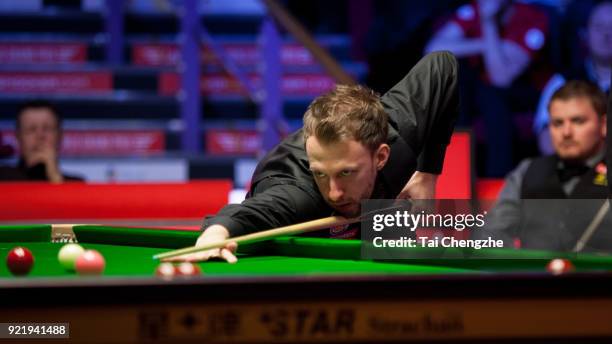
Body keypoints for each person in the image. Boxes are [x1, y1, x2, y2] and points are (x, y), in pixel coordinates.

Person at [170, 51, 459, 263]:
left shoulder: (399, 132)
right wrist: (214, 235)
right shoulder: (299, 195)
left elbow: (443, 65)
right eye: (321, 173)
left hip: (378, 203)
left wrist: (427, 173)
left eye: (346, 172)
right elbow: (251, 214)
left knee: (401, 260)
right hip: (301, 217)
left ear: (381, 156)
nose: (334, 192)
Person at [476, 80, 610, 251]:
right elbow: (491, 235)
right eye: (557, 123)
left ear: (604, 125)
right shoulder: (527, 171)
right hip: (533, 275)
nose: (566, 133)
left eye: (578, 121)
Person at [425, 0, 550, 177]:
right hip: (475, 94)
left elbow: (501, 78)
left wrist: (488, 22)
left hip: (520, 93)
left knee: (492, 97)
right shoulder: (474, 9)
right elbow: (433, 49)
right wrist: (486, 45)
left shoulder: (534, 18)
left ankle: (498, 183)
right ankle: (454, 177)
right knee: (455, 86)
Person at [533, 1, 612, 154]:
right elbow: (546, 141)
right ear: (585, 34)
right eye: (599, 27)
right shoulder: (563, 82)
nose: (606, 35)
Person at [0, 100, 83, 183]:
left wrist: (55, 176)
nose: (40, 135)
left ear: (60, 136)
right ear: (18, 137)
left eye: (47, 128)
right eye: (31, 129)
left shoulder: (76, 184)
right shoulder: (3, 178)